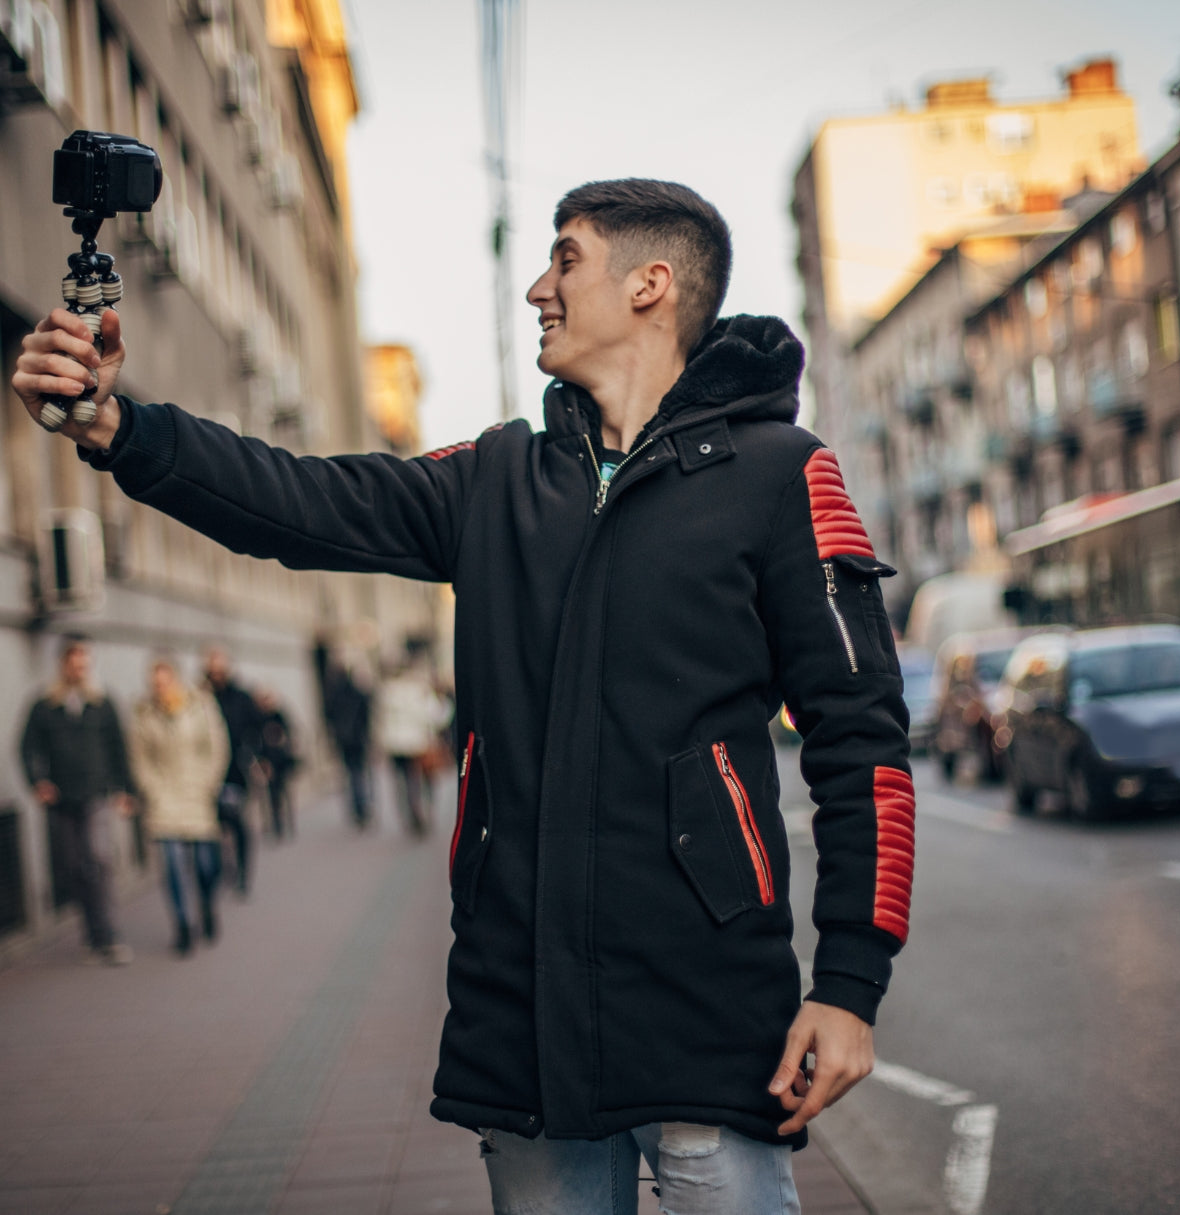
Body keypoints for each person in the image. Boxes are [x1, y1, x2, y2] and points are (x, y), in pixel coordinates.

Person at [14, 178, 915, 1213]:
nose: (537, 287)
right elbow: (297, 502)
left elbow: (863, 746)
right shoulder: (494, 480)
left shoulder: (782, 475)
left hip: (710, 1017)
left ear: (650, 286)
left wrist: (849, 988)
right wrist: (118, 427)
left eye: (565, 259)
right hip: (520, 1019)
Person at [19, 637, 135, 965]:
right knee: (73, 867)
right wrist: (38, 781)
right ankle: (92, 932)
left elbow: (119, 747)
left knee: (98, 859)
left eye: (85, 663)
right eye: (74, 663)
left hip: (96, 794)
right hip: (62, 799)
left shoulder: (102, 702)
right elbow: (27, 747)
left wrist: (126, 790)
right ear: (64, 665)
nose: (79, 669)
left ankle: (110, 934)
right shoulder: (44, 704)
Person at [129, 657, 229, 954]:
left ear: (176, 679)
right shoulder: (143, 713)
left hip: (197, 793)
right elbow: (140, 757)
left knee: (205, 864)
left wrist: (209, 782)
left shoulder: (200, 705)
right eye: (155, 683)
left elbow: (216, 746)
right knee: (171, 864)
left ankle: (208, 904)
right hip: (164, 798)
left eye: (164, 681)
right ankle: (183, 925)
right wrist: (152, 789)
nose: (160, 688)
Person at [201, 646, 261, 894]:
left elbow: (255, 730)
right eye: (212, 669)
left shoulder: (241, 698)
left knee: (237, 824)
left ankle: (243, 875)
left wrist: (256, 759)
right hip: (207, 775)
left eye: (220, 669)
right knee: (214, 827)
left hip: (236, 772)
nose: (217, 674)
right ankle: (222, 869)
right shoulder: (200, 698)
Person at [378, 644, 451, 836]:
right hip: (417, 742)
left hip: (394, 743)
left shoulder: (387, 691)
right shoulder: (419, 690)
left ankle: (409, 811)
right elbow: (438, 715)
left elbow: (380, 719)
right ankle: (422, 809)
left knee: (402, 780)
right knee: (422, 778)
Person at [321, 653, 375, 829]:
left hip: (344, 740)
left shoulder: (333, 695)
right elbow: (366, 714)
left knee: (352, 774)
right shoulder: (357, 693)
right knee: (359, 773)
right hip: (357, 739)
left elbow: (328, 717)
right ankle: (363, 805)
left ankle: (357, 807)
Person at [253, 687, 298, 840]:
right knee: (272, 796)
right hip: (268, 762)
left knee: (283, 793)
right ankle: (276, 824)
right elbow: (257, 742)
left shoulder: (279, 716)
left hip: (281, 761)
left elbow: (288, 736)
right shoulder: (258, 718)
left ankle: (287, 822)